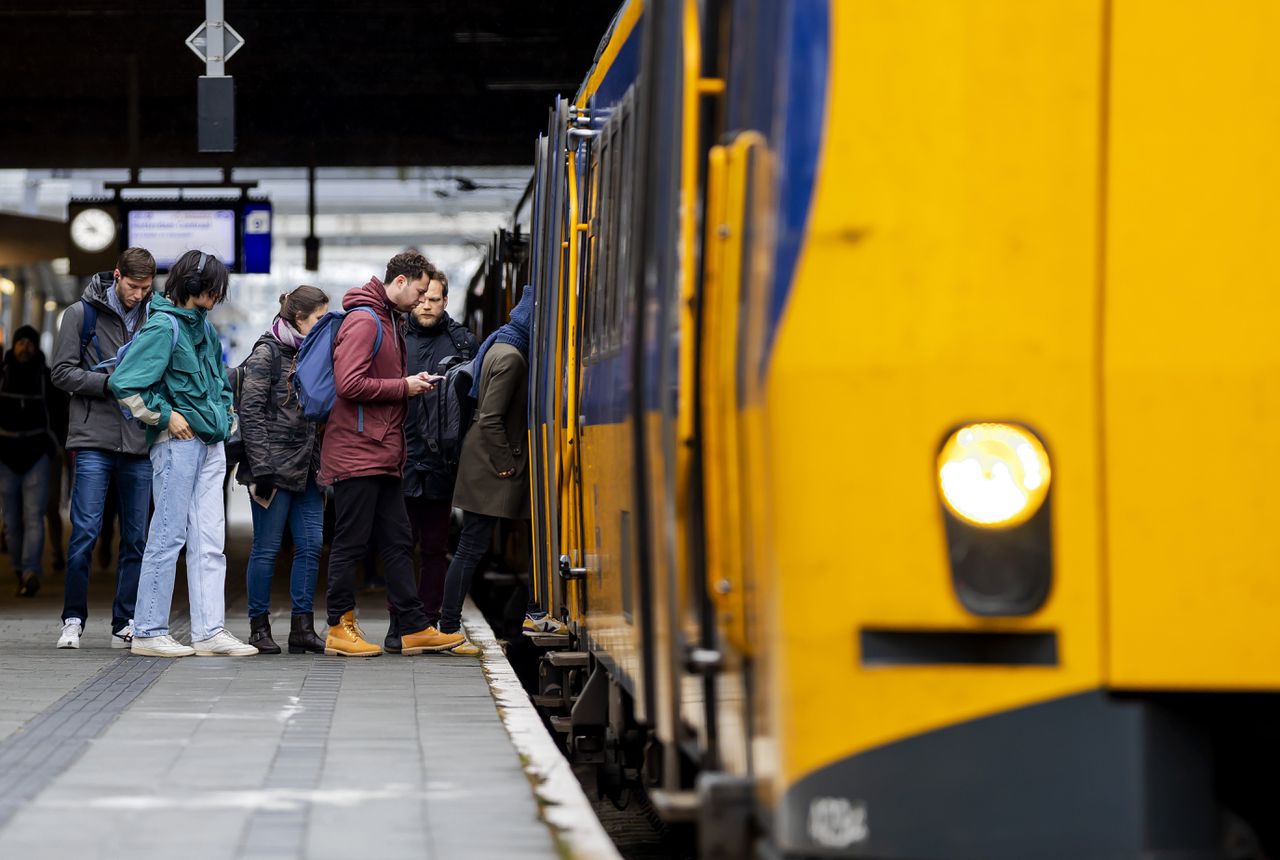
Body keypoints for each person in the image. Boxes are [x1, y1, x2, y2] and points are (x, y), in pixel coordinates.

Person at [109, 250, 257, 657]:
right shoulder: (163, 327)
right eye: (214, 289)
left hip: (209, 443)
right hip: (177, 443)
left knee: (210, 539)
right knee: (168, 535)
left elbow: (221, 382)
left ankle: (209, 631)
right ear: (198, 288)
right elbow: (124, 384)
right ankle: (149, 630)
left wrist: (227, 418)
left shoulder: (203, 330)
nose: (218, 296)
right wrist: (165, 417)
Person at [318, 251, 465, 657]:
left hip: (381, 451)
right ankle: (338, 625)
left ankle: (415, 625)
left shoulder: (388, 319)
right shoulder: (365, 320)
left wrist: (405, 383)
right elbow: (349, 384)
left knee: (399, 540)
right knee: (350, 541)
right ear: (400, 282)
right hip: (358, 450)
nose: (422, 300)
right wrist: (405, 386)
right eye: (419, 291)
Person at [437, 286, 552, 656]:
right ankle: (451, 626)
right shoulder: (513, 357)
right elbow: (490, 419)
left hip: (487, 462)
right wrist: (507, 466)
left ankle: (531, 610)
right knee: (477, 545)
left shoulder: (500, 345)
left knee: (487, 543)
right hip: (493, 465)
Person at [50, 248, 156, 648]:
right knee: (85, 533)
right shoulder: (81, 315)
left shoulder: (155, 316)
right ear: (117, 276)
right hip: (93, 438)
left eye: (146, 288)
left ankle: (124, 621)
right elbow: (61, 372)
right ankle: (73, 618)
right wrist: (107, 384)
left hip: (138, 441)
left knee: (136, 538)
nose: (138, 295)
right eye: (133, 287)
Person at [384, 267, 477, 652]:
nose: (425, 305)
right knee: (398, 545)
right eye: (421, 298)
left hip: (441, 461)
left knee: (435, 547)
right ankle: (398, 624)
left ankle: (428, 620)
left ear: (445, 301)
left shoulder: (464, 342)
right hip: (400, 456)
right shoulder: (392, 334)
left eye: (433, 299)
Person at [238, 285, 329, 654]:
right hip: (272, 471)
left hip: (308, 469)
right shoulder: (267, 353)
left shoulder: (315, 354)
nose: (325, 326)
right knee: (267, 549)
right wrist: (260, 467)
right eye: (320, 319)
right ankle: (259, 627)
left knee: (310, 546)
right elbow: (250, 412)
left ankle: (302, 628)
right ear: (298, 318)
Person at [0, 325, 67, 598]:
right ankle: (19, 567)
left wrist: (55, 446)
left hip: (37, 454)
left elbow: (61, 413)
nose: (24, 346)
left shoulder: (47, 378)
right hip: (6, 454)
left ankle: (30, 571)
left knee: (34, 516)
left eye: (29, 342)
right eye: (20, 342)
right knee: (11, 520)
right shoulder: (2, 376)